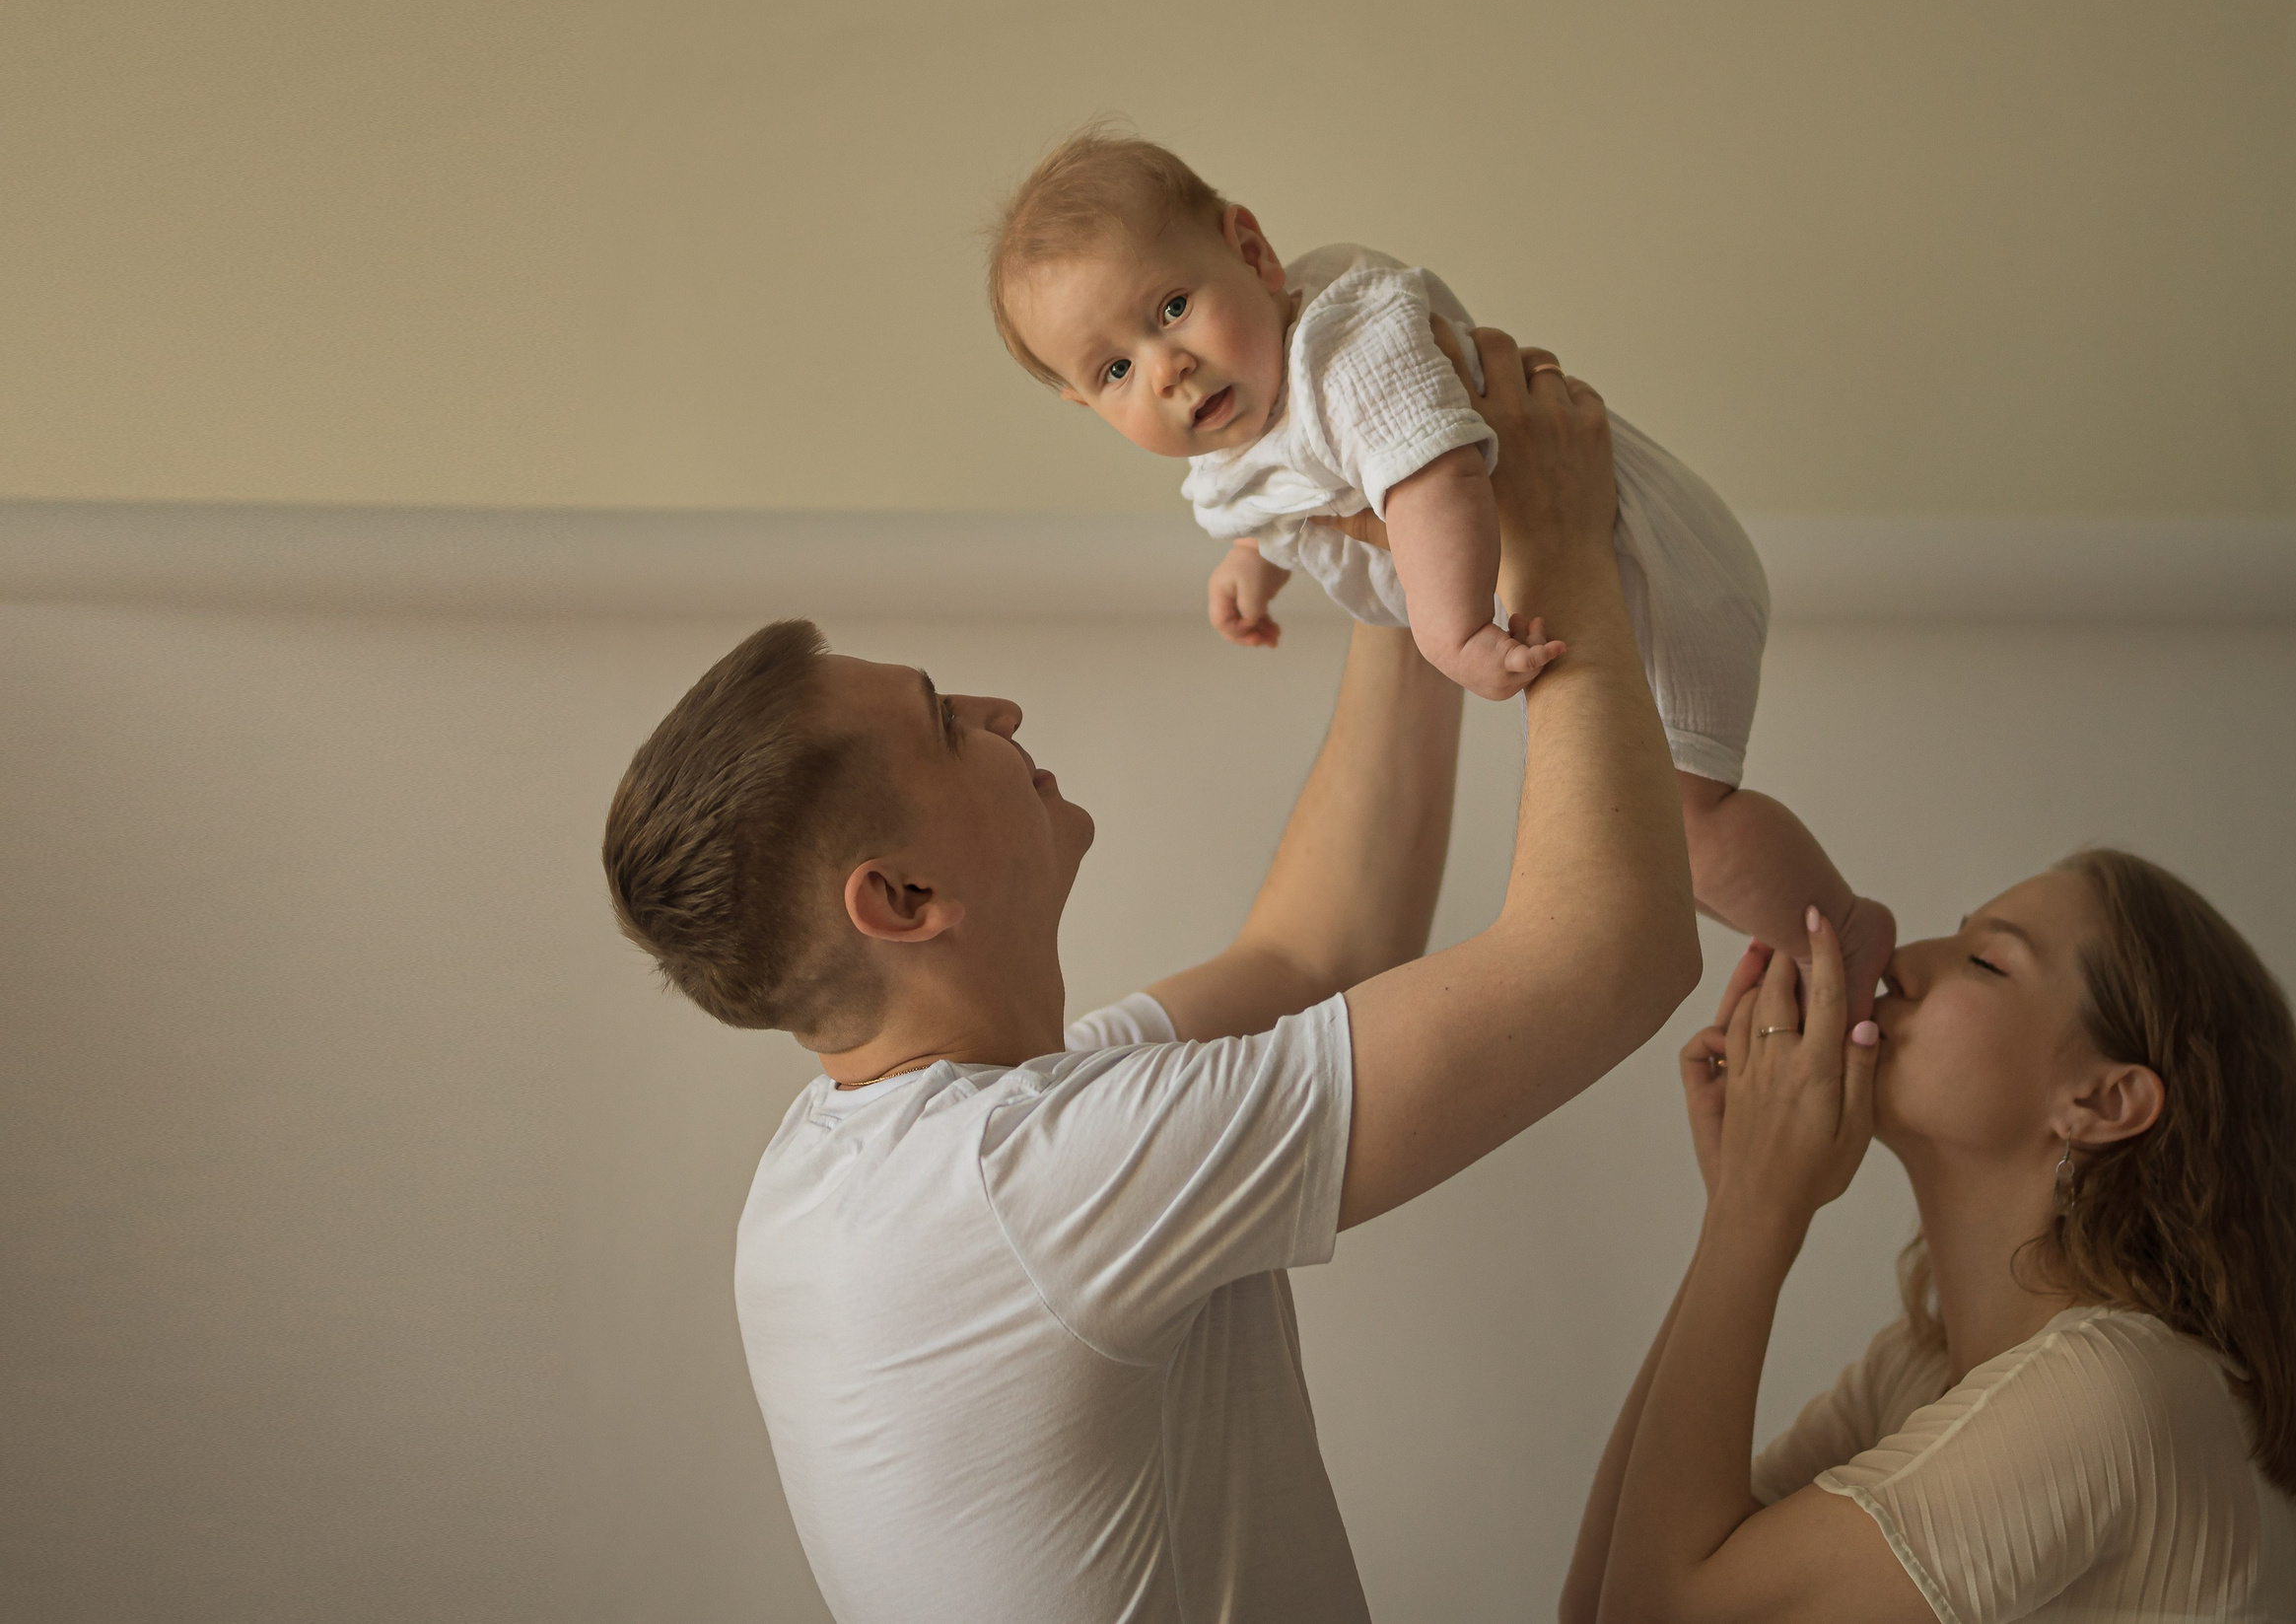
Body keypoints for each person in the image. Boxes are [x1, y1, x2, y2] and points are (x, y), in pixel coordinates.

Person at [600, 327, 1700, 1622]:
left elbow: (1313, 951)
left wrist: (1400, 513)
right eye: (949, 721)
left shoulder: (881, 1156)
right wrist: (1559, 546)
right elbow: (1606, 956)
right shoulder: (1026, 1188)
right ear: (901, 899)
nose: (1002, 712)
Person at [988, 128, 1895, 1016]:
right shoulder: (1243, 419)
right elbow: (1289, 491)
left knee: (1686, 830)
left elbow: (1434, 478)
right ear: (1084, 404)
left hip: (1646, 562)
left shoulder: (1345, 347)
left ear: (1254, 252)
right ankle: (1802, 939)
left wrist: (1450, 629)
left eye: (1172, 308)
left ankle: (1844, 930)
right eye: (1114, 368)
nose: (1166, 367)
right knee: (1662, 842)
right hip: (1597, 573)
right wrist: (1251, 562)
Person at [1560, 852, 2296, 1624]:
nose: (1905, 961)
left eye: (1986, 962)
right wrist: (1737, 1206)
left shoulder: (2116, 1393)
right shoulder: (1916, 1372)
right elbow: (1601, 1604)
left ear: (2104, 1102)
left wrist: (1756, 1219)